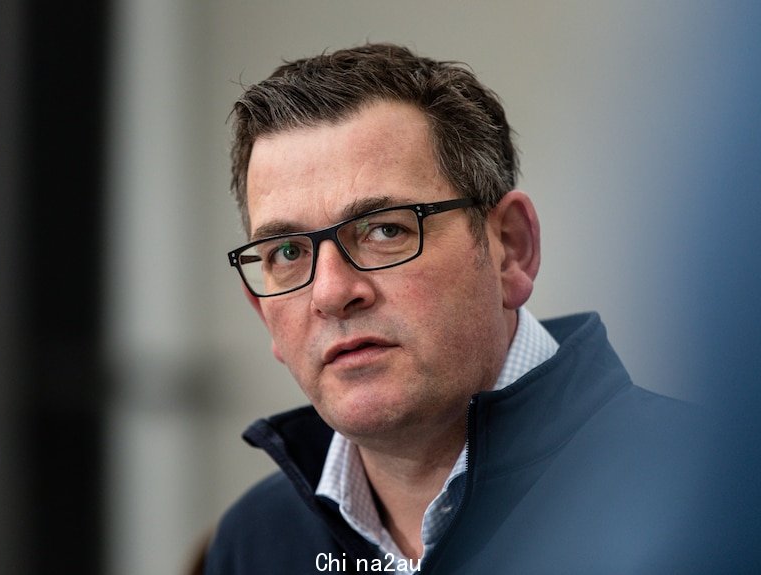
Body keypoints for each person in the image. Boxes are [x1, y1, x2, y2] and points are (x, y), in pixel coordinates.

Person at [204, 44, 721, 574]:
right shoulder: (254, 543)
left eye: (386, 230)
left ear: (510, 249)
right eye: (287, 253)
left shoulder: (719, 495)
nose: (332, 293)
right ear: (262, 310)